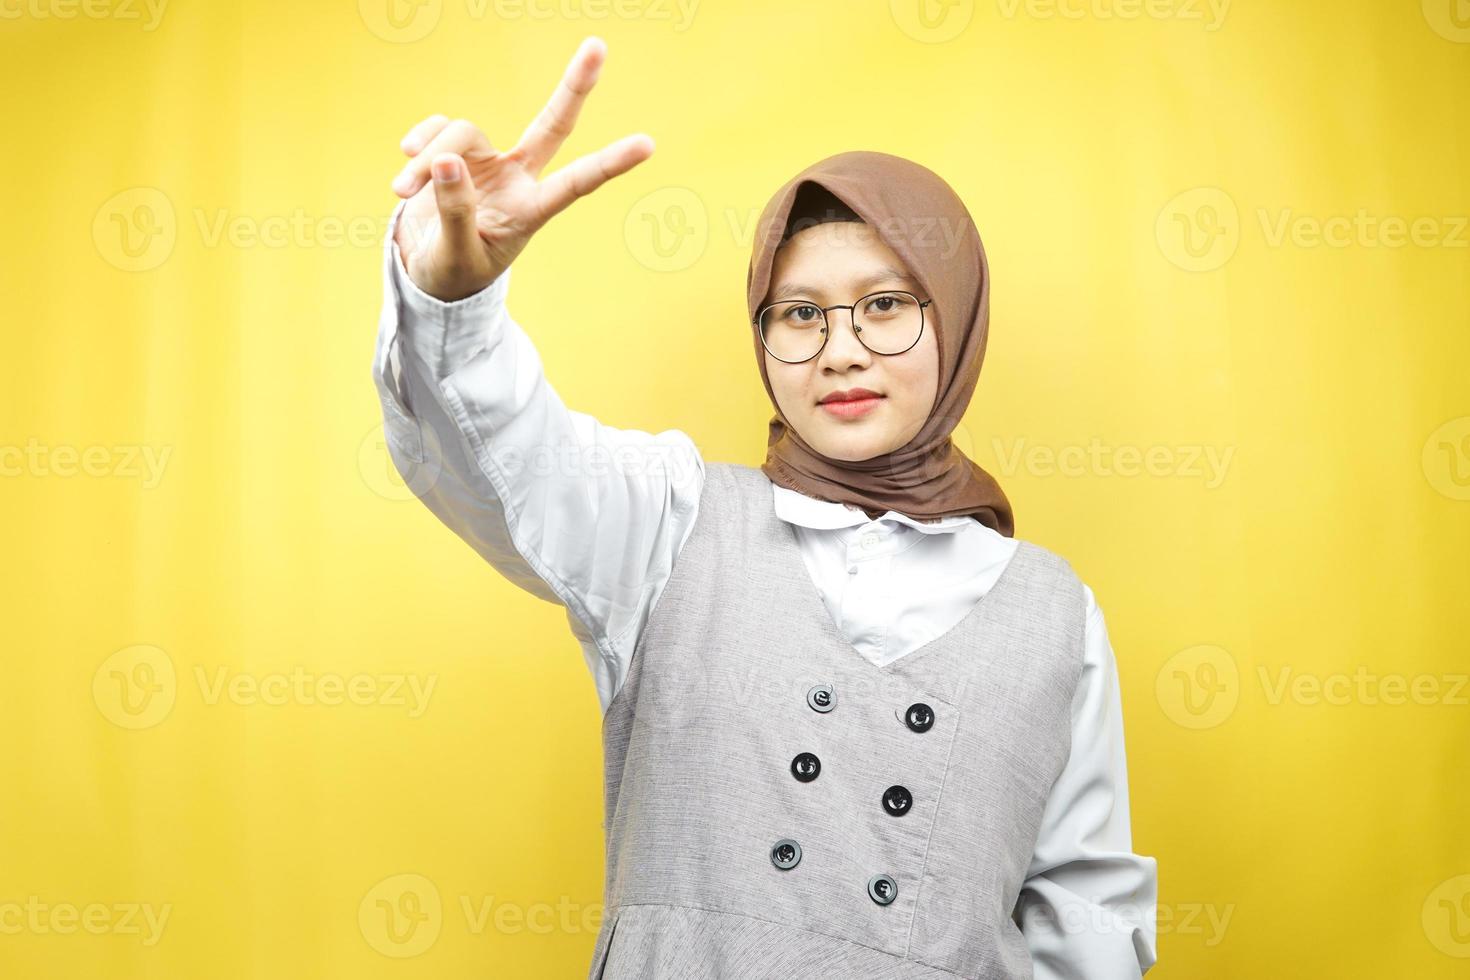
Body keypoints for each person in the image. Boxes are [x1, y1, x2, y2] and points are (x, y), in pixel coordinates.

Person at [372, 35, 1158, 980]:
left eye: (885, 304)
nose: (841, 351)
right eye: (799, 313)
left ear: (956, 316)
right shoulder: (669, 523)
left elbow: (1086, 915)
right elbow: (505, 460)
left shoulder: (1054, 613)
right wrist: (456, 300)